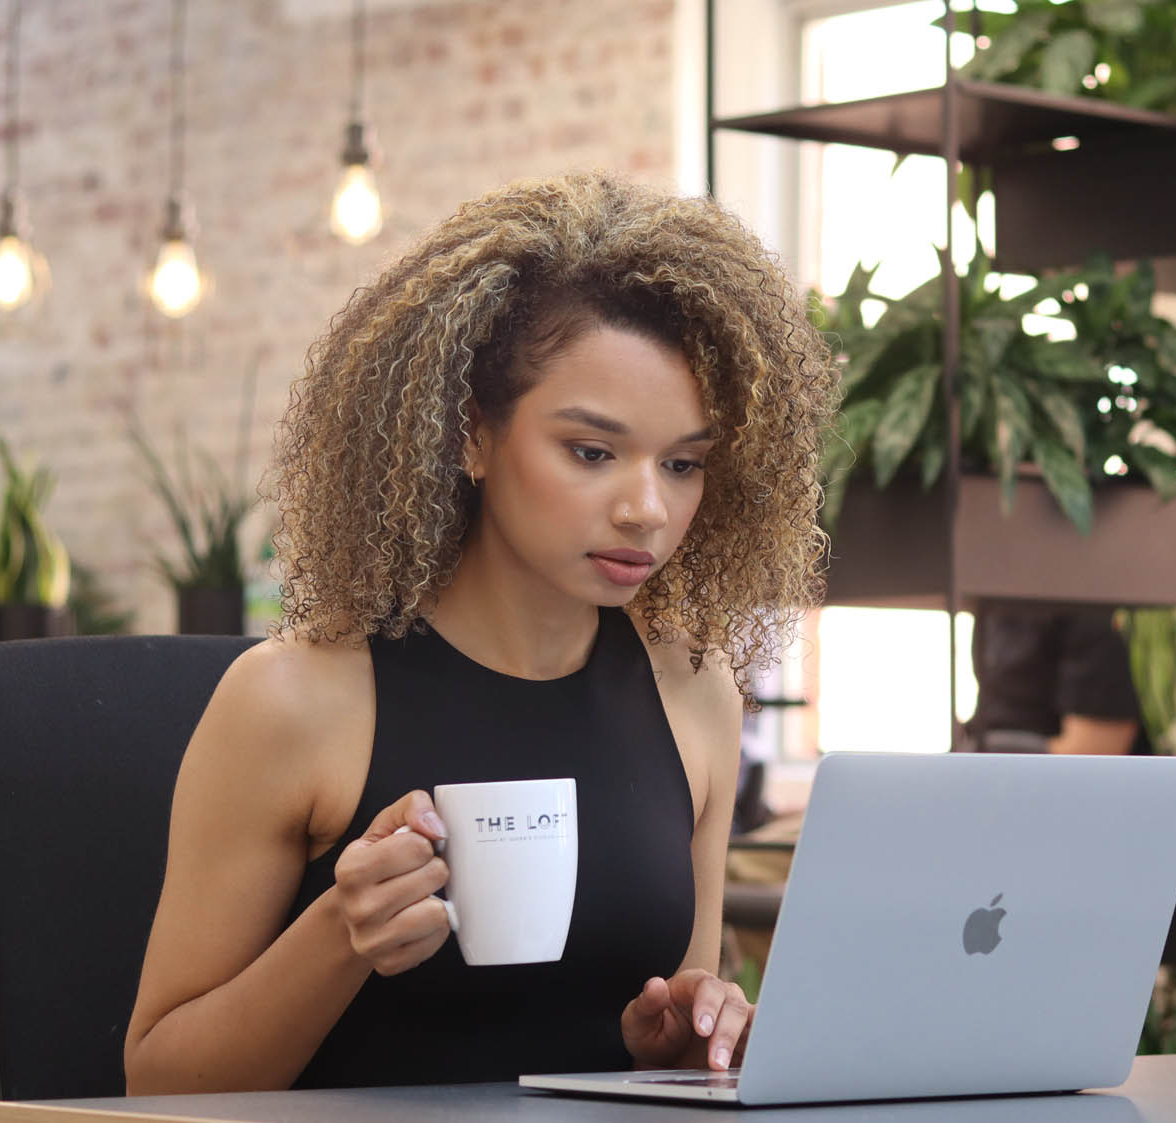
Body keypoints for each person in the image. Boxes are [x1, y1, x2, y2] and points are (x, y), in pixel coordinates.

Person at [123, 173, 836, 1093]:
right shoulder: (298, 698)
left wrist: (687, 1042)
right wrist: (341, 934)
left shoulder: (693, 693)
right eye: (591, 451)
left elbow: (679, 1010)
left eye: (684, 463)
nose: (646, 509)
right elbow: (153, 1081)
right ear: (471, 434)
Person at [964, 601, 1151, 756]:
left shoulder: (1092, 613)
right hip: (986, 767)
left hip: (1040, 785)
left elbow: (1094, 753)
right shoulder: (994, 601)